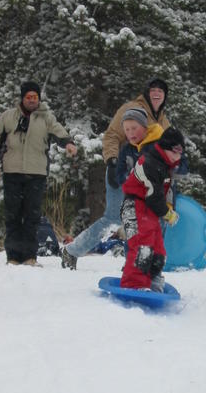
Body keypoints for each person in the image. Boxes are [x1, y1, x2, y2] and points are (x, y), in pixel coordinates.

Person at [61, 77, 171, 270]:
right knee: (113, 218)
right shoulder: (131, 109)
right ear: (147, 92)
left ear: (165, 96)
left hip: (145, 178)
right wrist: (111, 161)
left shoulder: (163, 120)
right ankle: (72, 251)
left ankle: (133, 264)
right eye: (153, 89)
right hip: (122, 170)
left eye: (161, 91)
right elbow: (112, 134)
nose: (156, 93)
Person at [0, 81, 77, 266]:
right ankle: (12, 256)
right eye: (28, 97)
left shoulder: (46, 117)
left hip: (36, 173)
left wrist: (68, 143)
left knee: (32, 216)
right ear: (22, 98)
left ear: (39, 98)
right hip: (12, 172)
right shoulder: (8, 117)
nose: (32, 100)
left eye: (35, 97)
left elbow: (59, 131)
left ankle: (29, 256)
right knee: (12, 215)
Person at [120, 127, 185, 291]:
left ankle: (152, 280)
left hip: (149, 210)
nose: (178, 157)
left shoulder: (164, 165)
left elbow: (162, 194)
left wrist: (167, 207)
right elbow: (154, 196)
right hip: (135, 206)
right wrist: (167, 213)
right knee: (143, 246)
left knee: (158, 249)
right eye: (175, 152)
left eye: (180, 153)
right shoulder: (150, 163)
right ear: (164, 148)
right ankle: (134, 284)